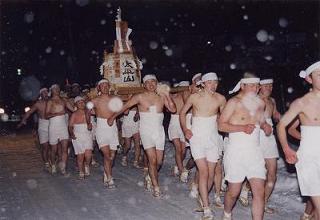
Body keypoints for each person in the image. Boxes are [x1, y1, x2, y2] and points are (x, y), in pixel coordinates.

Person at [108, 74, 176, 197]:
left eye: (153, 82)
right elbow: (125, 107)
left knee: (159, 162)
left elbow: (173, 109)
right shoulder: (139, 97)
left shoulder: (161, 96)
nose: (151, 84)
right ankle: (156, 187)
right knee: (153, 160)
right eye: (148, 82)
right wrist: (113, 117)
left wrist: (167, 95)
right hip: (145, 132)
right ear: (144, 85)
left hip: (159, 132)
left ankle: (150, 177)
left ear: (157, 83)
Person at [218, 73, 272, 220]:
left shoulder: (260, 103)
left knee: (259, 191)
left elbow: (260, 120)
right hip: (236, 151)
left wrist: (265, 125)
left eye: (257, 85)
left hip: (255, 152)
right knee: (233, 192)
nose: (256, 89)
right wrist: (242, 128)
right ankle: (227, 213)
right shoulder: (234, 102)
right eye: (252, 85)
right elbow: (221, 125)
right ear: (242, 86)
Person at [277, 61, 320, 220]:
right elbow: (281, 126)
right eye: (319, 75)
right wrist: (287, 149)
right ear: (309, 79)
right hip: (309, 158)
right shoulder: (302, 102)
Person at [180, 72, 226, 220]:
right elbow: (182, 113)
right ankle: (206, 208)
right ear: (203, 83)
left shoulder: (220, 99)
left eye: (215, 82)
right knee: (204, 172)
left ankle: (202, 195)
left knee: (211, 174)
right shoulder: (194, 97)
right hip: (197, 138)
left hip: (212, 138)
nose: (213, 85)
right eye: (210, 82)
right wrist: (186, 129)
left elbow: (224, 118)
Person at [89, 79, 121, 188]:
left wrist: (114, 117)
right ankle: (110, 179)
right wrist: (92, 116)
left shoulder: (114, 99)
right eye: (102, 86)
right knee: (107, 155)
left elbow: (121, 111)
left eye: (107, 85)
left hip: (113, 128)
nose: (105, 87)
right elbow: (85, 109)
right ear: (99, 88)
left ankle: (106, 173)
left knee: (112, 156)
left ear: (109, 87)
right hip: (102, 128)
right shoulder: (95, 101)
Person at [17, 88, 51, 170]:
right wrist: (23, 121)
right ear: (41, 95)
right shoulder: (38, 104)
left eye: (47, 92)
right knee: (45, 147)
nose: (46, 94)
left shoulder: (52, 102)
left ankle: (53, 161)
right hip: (43, 125)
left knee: (54, 146)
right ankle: (46, 163)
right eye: (44, 92)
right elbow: (29, 112)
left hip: (53, 124)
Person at [45, 84, 75, 175]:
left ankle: (63, 168)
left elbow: (73, 109)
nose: (57, 90)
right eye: (55, 89)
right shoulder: (50, 101)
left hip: (63, 127)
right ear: (52, 91)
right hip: (53, 127)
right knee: (53, 149)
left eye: (58, 88)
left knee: (64, 149)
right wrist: (58, 114)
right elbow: (46, 115)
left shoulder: (64, 100)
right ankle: (53, 165)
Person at [169, 81, 189, 182]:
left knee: (183, 150)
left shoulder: (189, 99)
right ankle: (182, 171)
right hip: (174, 124)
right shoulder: (174, 97)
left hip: (184, 123)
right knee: (178, 149)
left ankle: (177, 165)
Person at [68, 96, 93, 179]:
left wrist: (90, 125)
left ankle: (86, 165)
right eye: (79, 102)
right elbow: (70, 126)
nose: (81, 103)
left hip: (87, 134)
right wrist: (71, 134)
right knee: (80, 155)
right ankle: (81, 171)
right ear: (76, 104)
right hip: (78, 135)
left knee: (88, 154)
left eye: (83, 102)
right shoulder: (74, 114)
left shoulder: (88, 112)